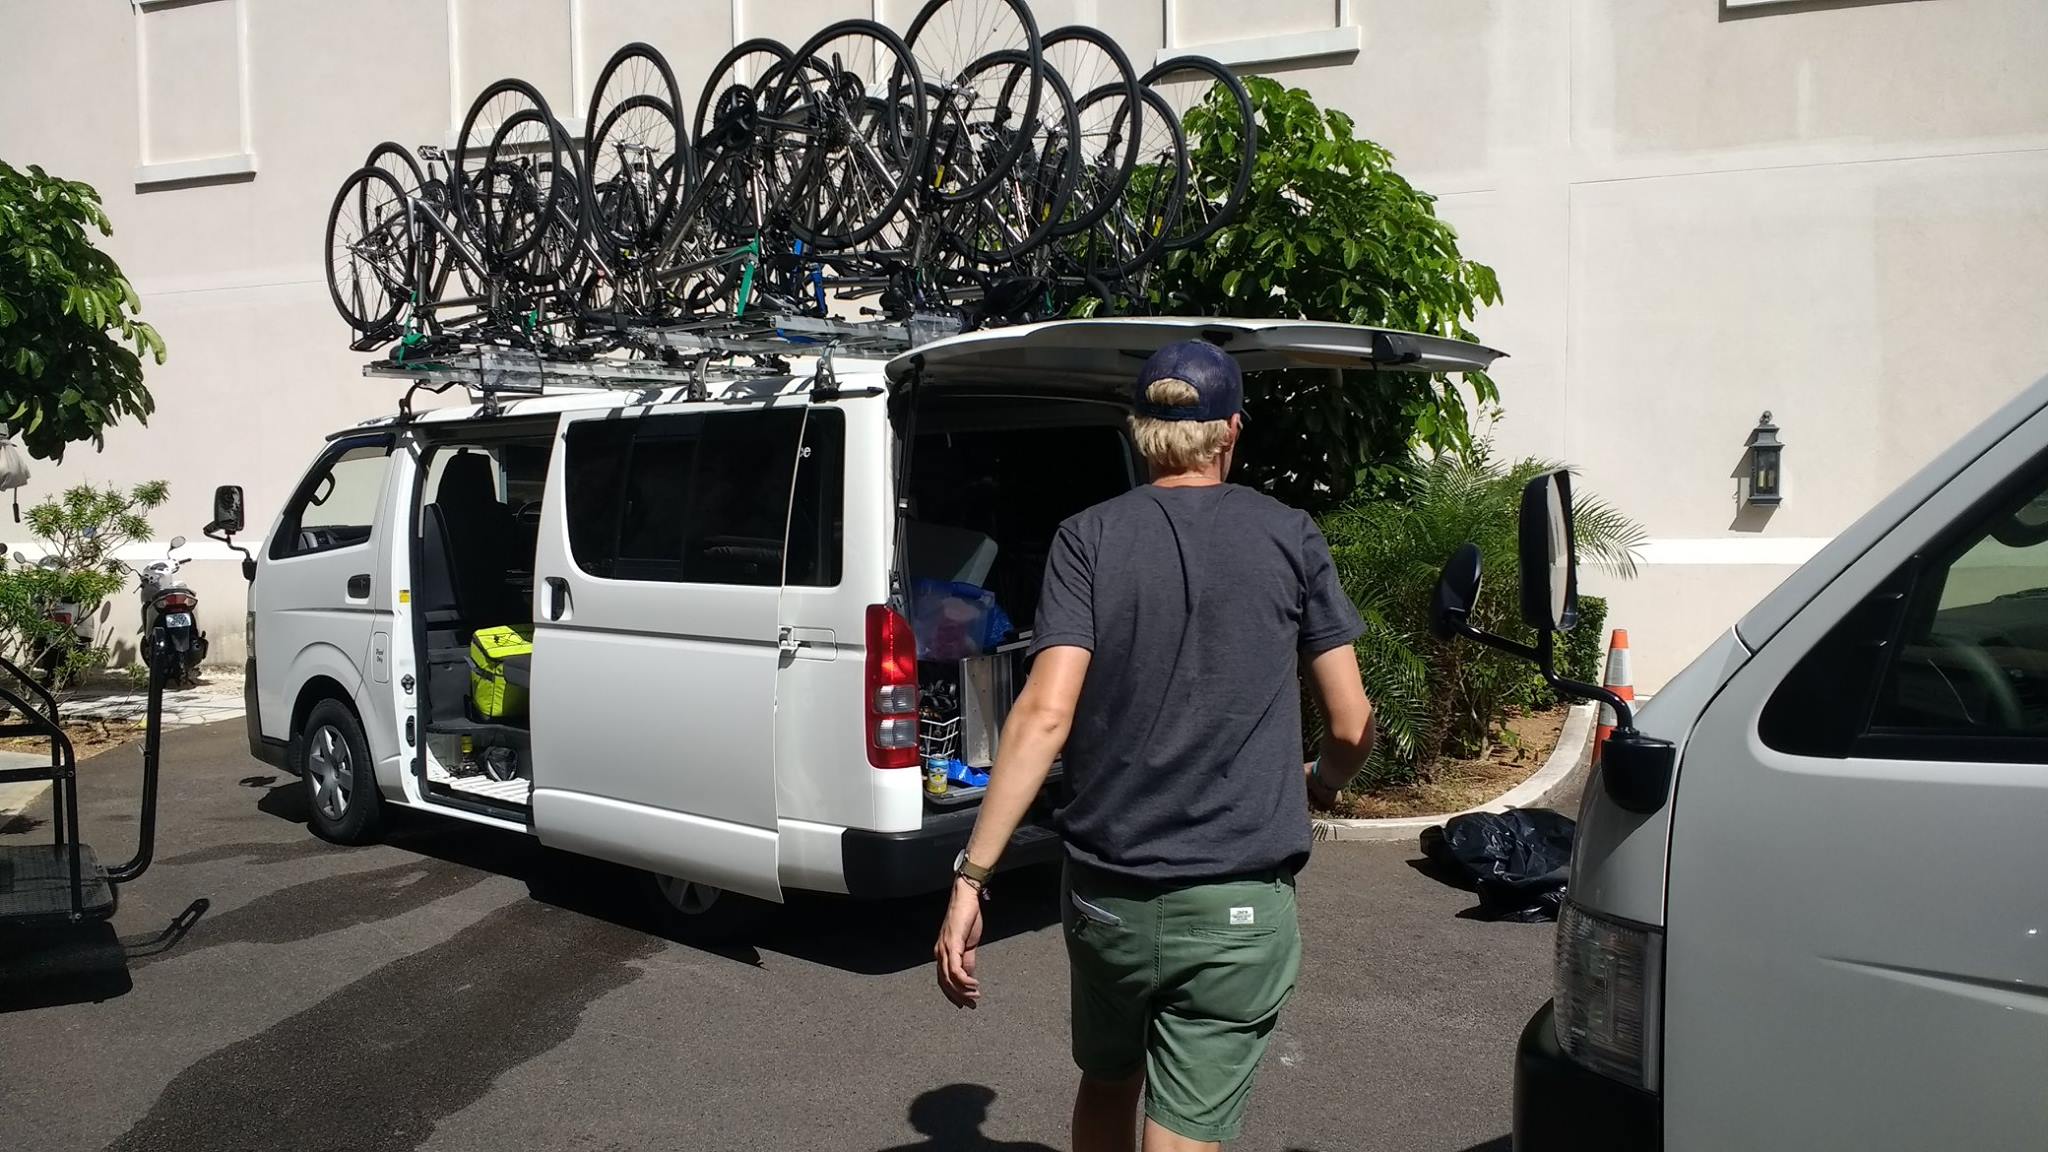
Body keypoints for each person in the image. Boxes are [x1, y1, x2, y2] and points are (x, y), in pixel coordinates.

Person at [933, 340, 1377, 1151]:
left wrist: (973, 878)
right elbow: (1352, 724)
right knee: (1184, 1129)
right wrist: (1325, 780)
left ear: (1142, 435)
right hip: (1237, 905)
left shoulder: (1086, 539)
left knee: (1107, 1080)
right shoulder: (1290, 536)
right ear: (1231, 432)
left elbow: (1042, 715)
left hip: (1109, 900)